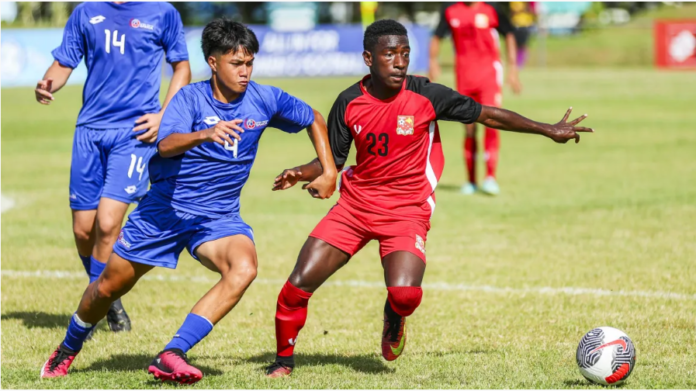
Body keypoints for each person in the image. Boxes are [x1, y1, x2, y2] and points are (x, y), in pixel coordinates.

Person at [265, 19, 592, 378]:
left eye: (404, 53)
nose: (400, 62)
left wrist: (547, 129)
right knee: (297, 284)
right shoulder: (348, 102)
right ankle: (283, 363)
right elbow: (334, 161)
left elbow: (488, 114)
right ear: (368, 58)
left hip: (407, 210)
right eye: (389, 54)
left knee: (405, 296)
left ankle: (394, 317)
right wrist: (303, 171)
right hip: (354, 208)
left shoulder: (427, 95)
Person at [40, 19, 338, 384]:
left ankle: (173, 352)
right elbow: (165, 144)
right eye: (236, 63)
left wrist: (327, 170)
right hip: (164, 213)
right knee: (106, 288)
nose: (245, 72)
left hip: (217, 218)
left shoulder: (264, 98)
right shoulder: (189, 99)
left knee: (244, 269)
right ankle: (68, 348)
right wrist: (206, 133)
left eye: (249, 63)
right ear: (213, 63)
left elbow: (314, 117)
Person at [34, 1, 191, 331]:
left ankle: (87, 315)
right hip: (89, 131)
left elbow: (182, 67)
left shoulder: (162, 12)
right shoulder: (86, 12)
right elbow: (64, 63)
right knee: (83, 231)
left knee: (107, 225)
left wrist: (165, 115)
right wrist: (47, 82)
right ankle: (108, 298)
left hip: (134, 133)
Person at [429, 2, 522, 196]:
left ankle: (490, 177)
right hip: (464, 77)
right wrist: (433, 62)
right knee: (469, 127)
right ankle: (470, 181)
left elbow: (510, 34)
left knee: (491, 121)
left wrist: (513, 69)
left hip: (489, 75)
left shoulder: (492, 8)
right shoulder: (451, 10)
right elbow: (437, 36)